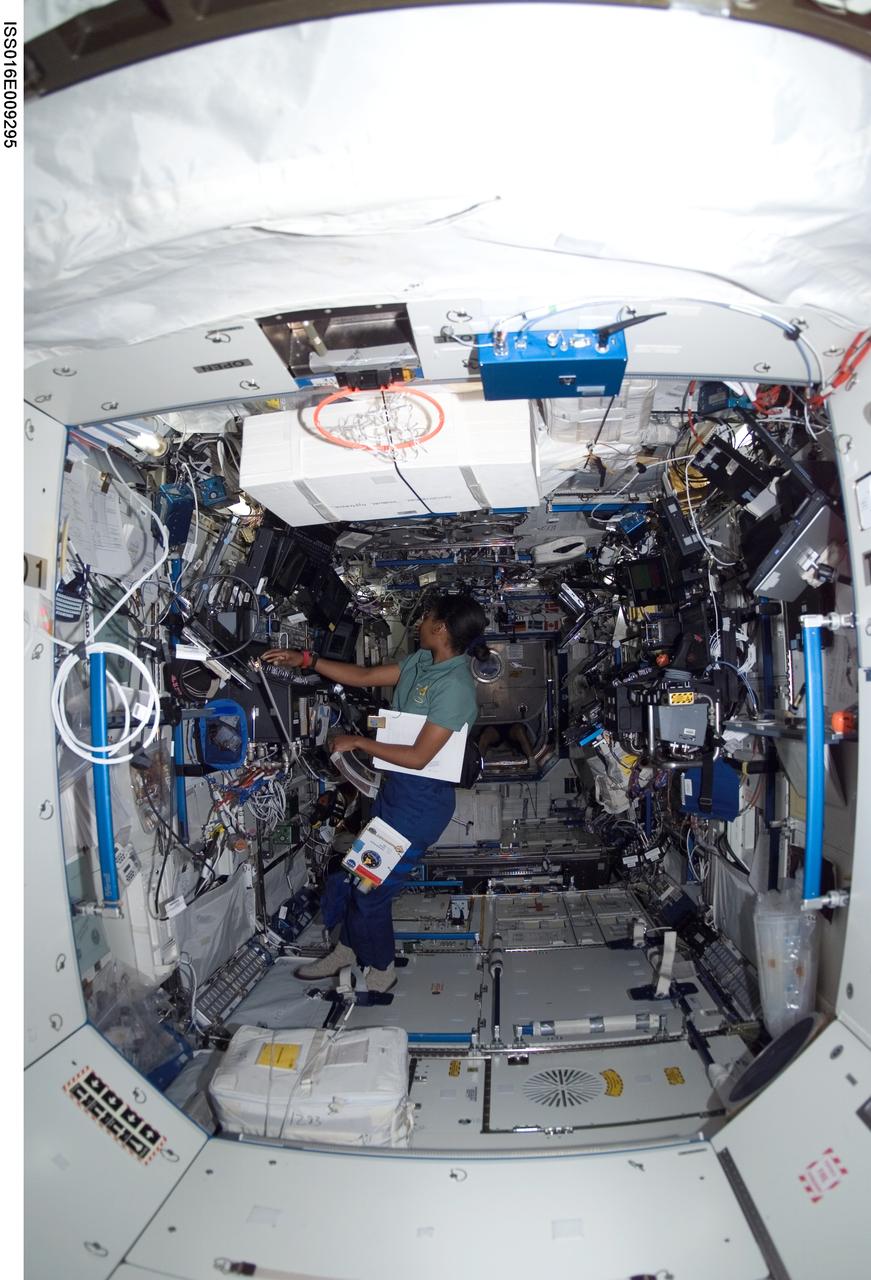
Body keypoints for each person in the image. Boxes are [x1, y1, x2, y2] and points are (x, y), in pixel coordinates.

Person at [262, 592, 488, 993]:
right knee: (357, 876)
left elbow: (419, 757)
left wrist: (359, 742)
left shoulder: (456, 687)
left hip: (420, 804)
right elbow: (365, 677)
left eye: (426, 617)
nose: (419, 622)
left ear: (441, 628)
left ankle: (381, 969)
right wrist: (308, 660)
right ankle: (347, 949)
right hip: (395, 794)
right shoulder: (422, 662)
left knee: (371, 889)